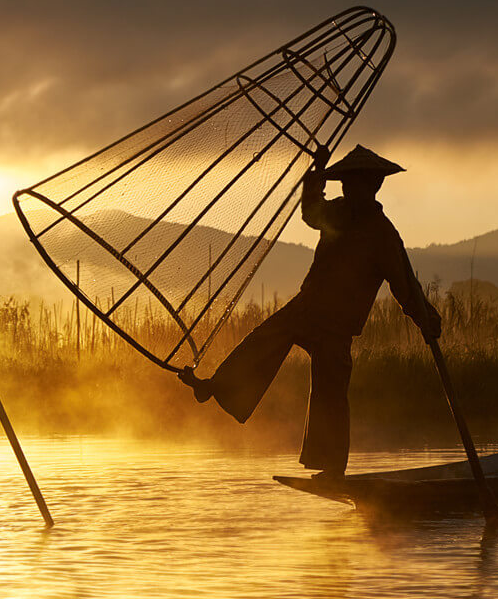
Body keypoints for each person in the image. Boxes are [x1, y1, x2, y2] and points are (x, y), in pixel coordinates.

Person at [179, 145, 440, 479]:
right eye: (344, 184)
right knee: (263, 339)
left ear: (372, 185)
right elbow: (311, 213)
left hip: (337, 324)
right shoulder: (339, 213)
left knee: (330, 393)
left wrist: (427, 321)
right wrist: (316, 173)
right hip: (307, 307)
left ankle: (332, 468)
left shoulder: (382, 234)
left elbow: (406, 287)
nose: (348, 190)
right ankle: (216, 386)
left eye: (354, 184)